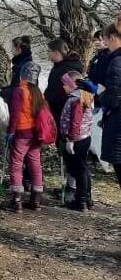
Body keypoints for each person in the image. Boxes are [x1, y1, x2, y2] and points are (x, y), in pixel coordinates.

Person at [6, 62, 47, 212]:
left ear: (22, 75)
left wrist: (10, 131)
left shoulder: (20, 91)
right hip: (36, 135)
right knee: (35, 165)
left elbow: (15, 114)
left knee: (16, 164)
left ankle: (17, 200)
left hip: (22, 133)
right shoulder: (39, 92)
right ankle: (36, 199)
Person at [60, 72, 96, 211]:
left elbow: (75, 122)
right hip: (84, 137)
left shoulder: (76, 99)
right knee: (83, 168)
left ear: (72, 85)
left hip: (77, 139)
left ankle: (80, 200)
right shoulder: (84, 96)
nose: (63, 87)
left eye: (65, 84)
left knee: (79, 169)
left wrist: (71, 140)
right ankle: (86, 198)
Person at [98, 17, 121, 187]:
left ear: (113, 37)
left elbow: (113, 98)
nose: (105, 44)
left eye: (105, 40)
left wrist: (101, 93)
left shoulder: (116, 61)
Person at [44, 39, 85, 125]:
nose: (48, 54)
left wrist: (51, 99)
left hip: (62, 114)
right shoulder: (58, 66)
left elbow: (73, 94)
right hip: (54, 110)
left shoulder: (67, 69)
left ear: (56, 52)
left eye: (49, 51)